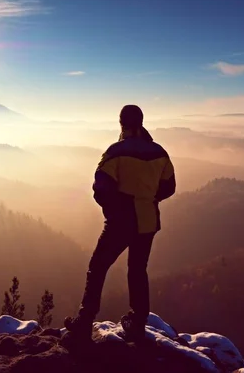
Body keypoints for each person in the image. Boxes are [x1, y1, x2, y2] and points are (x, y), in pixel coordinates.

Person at [64, 104, 176, 341]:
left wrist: (113, 209)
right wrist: (148, 199)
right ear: (142, 122)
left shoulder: (116, 152)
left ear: (121, 123)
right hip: (148, 222)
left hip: (120, 222)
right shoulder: (160, 152)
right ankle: (137, 322)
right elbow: (169, 187)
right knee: (137, 270)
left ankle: (85, 321)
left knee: (97, 267)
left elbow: (100, 188)